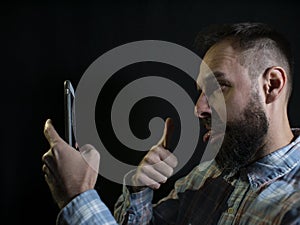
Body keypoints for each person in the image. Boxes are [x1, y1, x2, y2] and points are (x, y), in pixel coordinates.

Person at [42, 22, 300, 225]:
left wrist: (78, 196)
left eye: (219, 86)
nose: (198, 108)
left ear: (272, 85)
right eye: (200, 91)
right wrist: (139, 189)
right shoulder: (204, 177)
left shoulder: (294, 208)